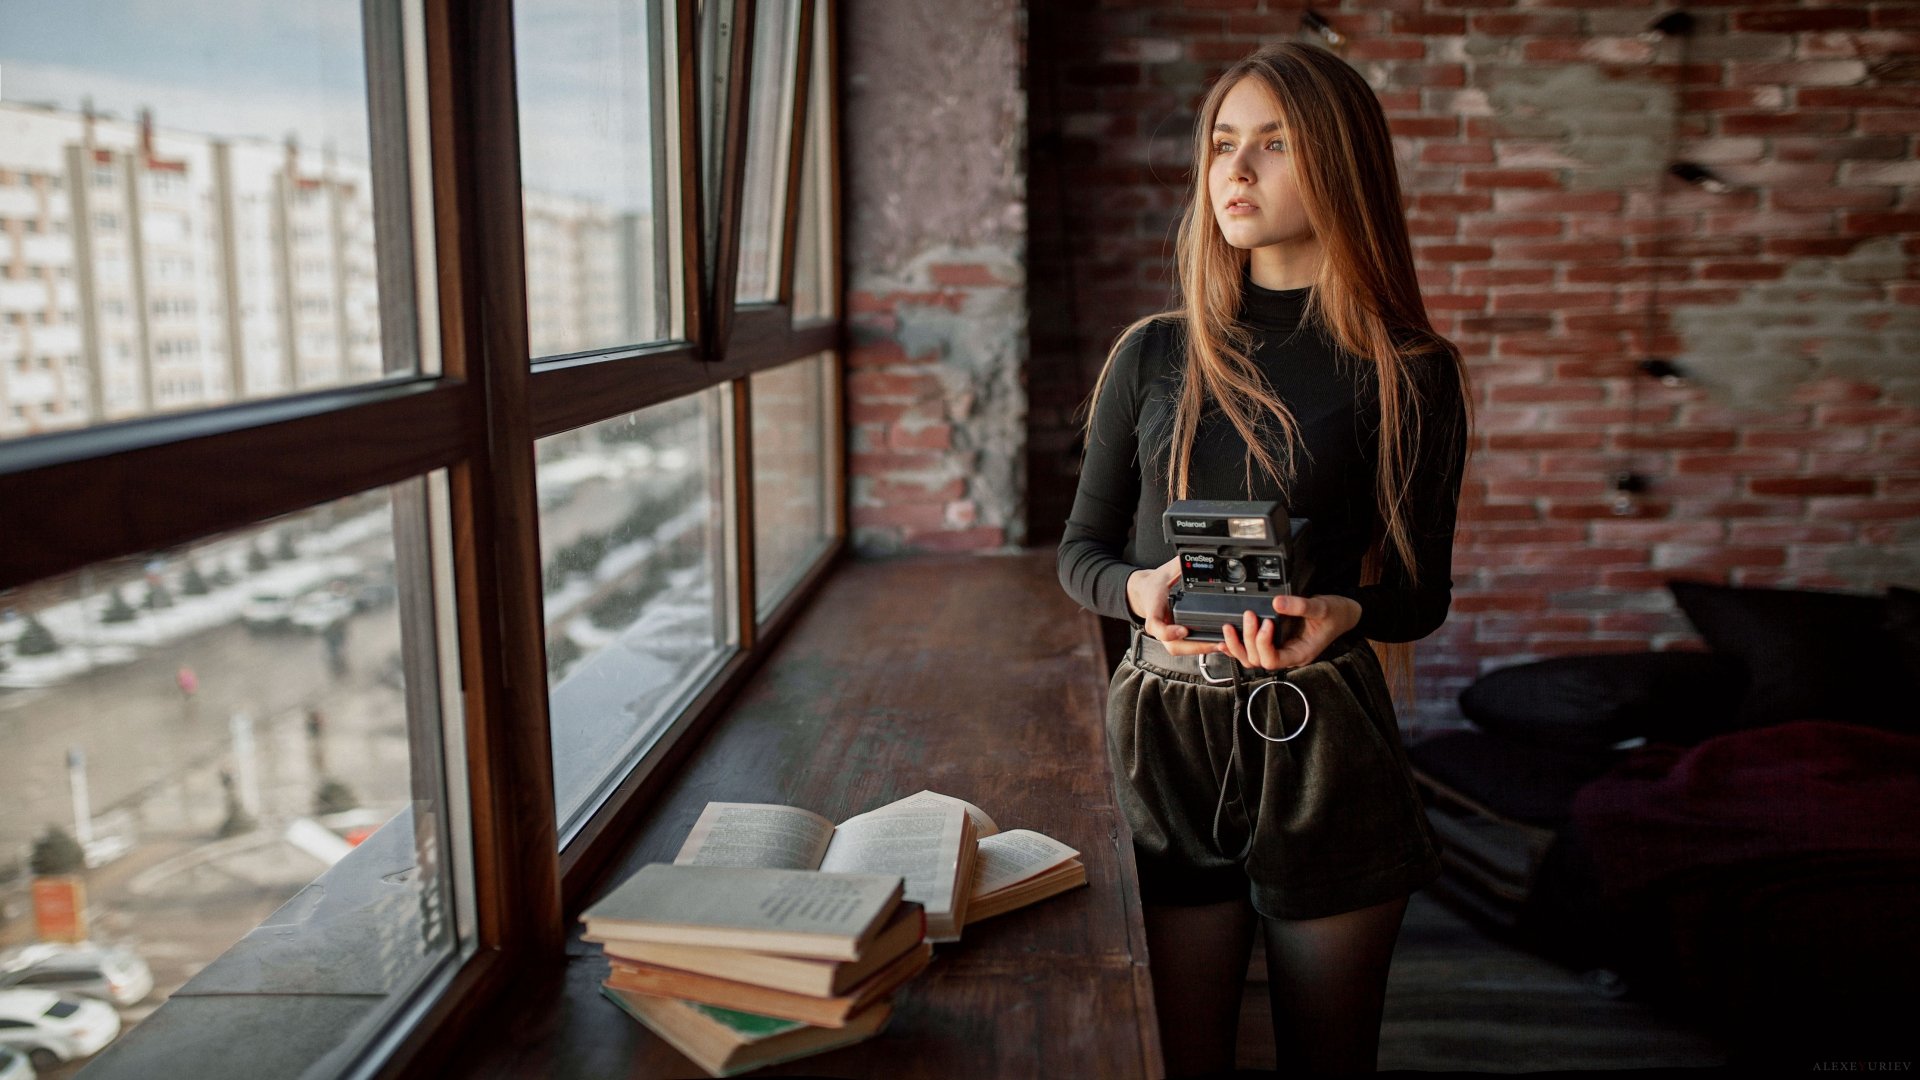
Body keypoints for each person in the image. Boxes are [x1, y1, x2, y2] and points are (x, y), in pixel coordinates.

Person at [1056, 42, 1472, 1076]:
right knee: (1178, 1059)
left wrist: (1343, 613)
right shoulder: (1152, 351)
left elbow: (1419, 598)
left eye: (1274, 145)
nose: (1235, 172)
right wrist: (1137, 590)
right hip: (1162, 736)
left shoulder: (1410, 370)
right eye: (1223, 145)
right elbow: (1080, 552)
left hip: (1321, 735)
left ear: (1342, 165)